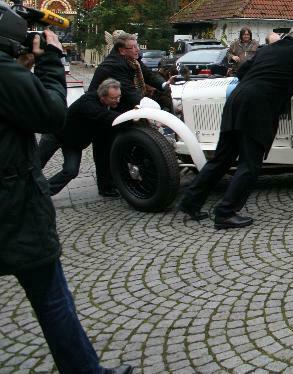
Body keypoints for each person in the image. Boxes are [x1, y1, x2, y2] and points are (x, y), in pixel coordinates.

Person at [0, 25, 132, 374]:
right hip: (47, 153)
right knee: (53, 300)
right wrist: (50, 60)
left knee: (69, 172)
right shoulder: (87, 104)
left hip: (54, 153)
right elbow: (51, 111)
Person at [178, 25, 293, 230]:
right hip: (258, 110)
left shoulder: (266, 50)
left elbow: (241, 72)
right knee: (250, 164)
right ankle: (225, 213)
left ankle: (191, 202)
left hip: (236, 102)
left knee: (221, 159)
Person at [38, 79, 122, 197]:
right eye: (114, 98)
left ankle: (42, 192)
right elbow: (103, 115)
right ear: (102, 96)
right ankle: (18, 188)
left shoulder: (109, 104)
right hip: (55, 134)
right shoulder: (88, 102)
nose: (117, 101)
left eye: (119, 96)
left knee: (71, 170)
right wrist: (126, 118)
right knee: (36, 164)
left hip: (73, 143)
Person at [88, 33, 169, 114]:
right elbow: (128, 91)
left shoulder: (133, 61)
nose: (137, 49)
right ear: (122, 50)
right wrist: (147, 104)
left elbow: (149, 75)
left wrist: (165, 84)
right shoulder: (114, 65)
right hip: (100, 109)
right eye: (133, 47)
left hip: (118, 105)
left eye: (137, 46)